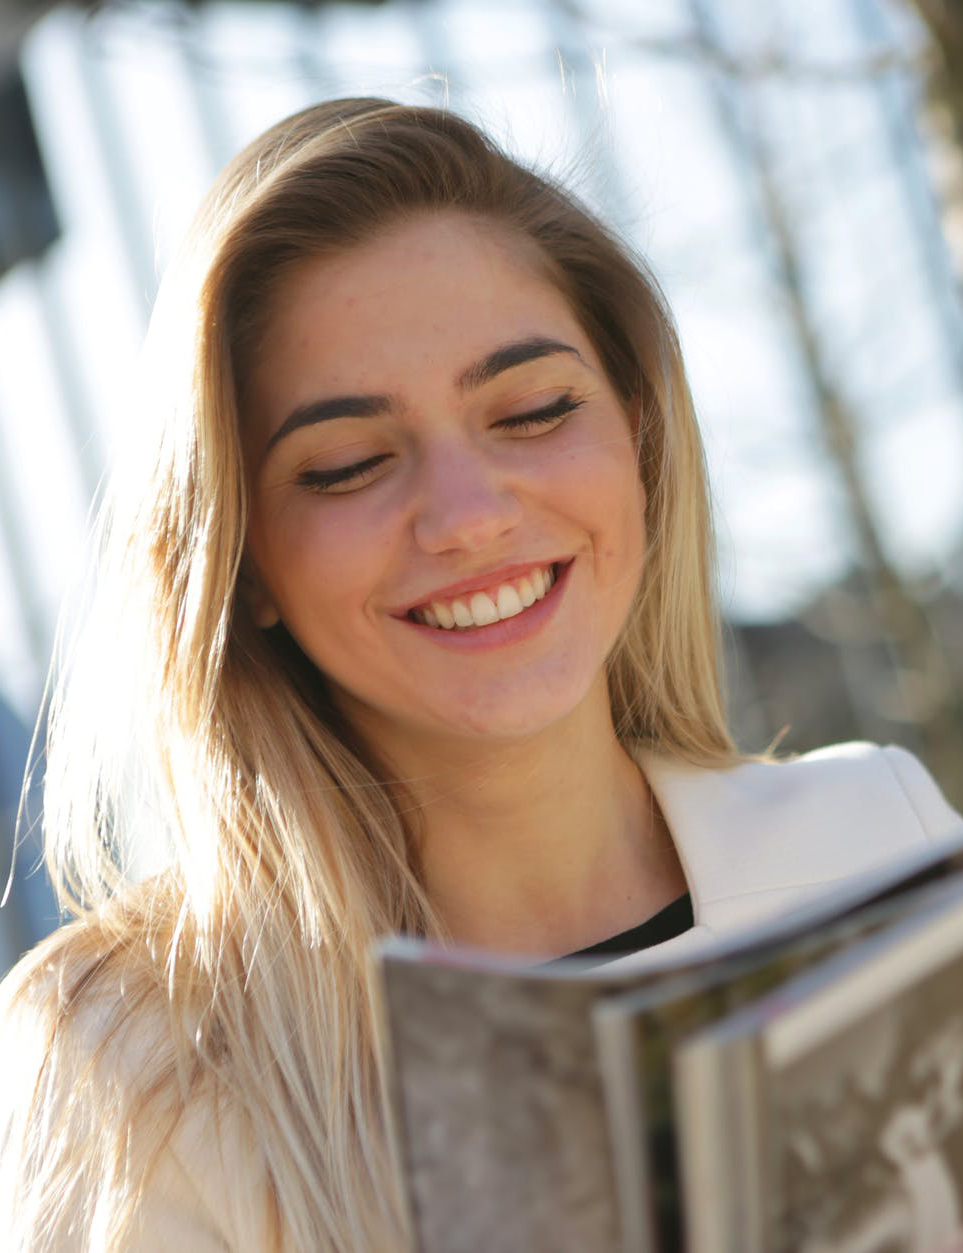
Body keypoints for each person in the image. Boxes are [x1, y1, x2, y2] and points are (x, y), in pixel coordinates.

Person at [0, 97, 960, 1252]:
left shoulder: (877, 837)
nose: (465, 518)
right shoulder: (127, 1055)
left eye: (534, 409)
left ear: (639, 437)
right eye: (349, 464)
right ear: (242, 558)